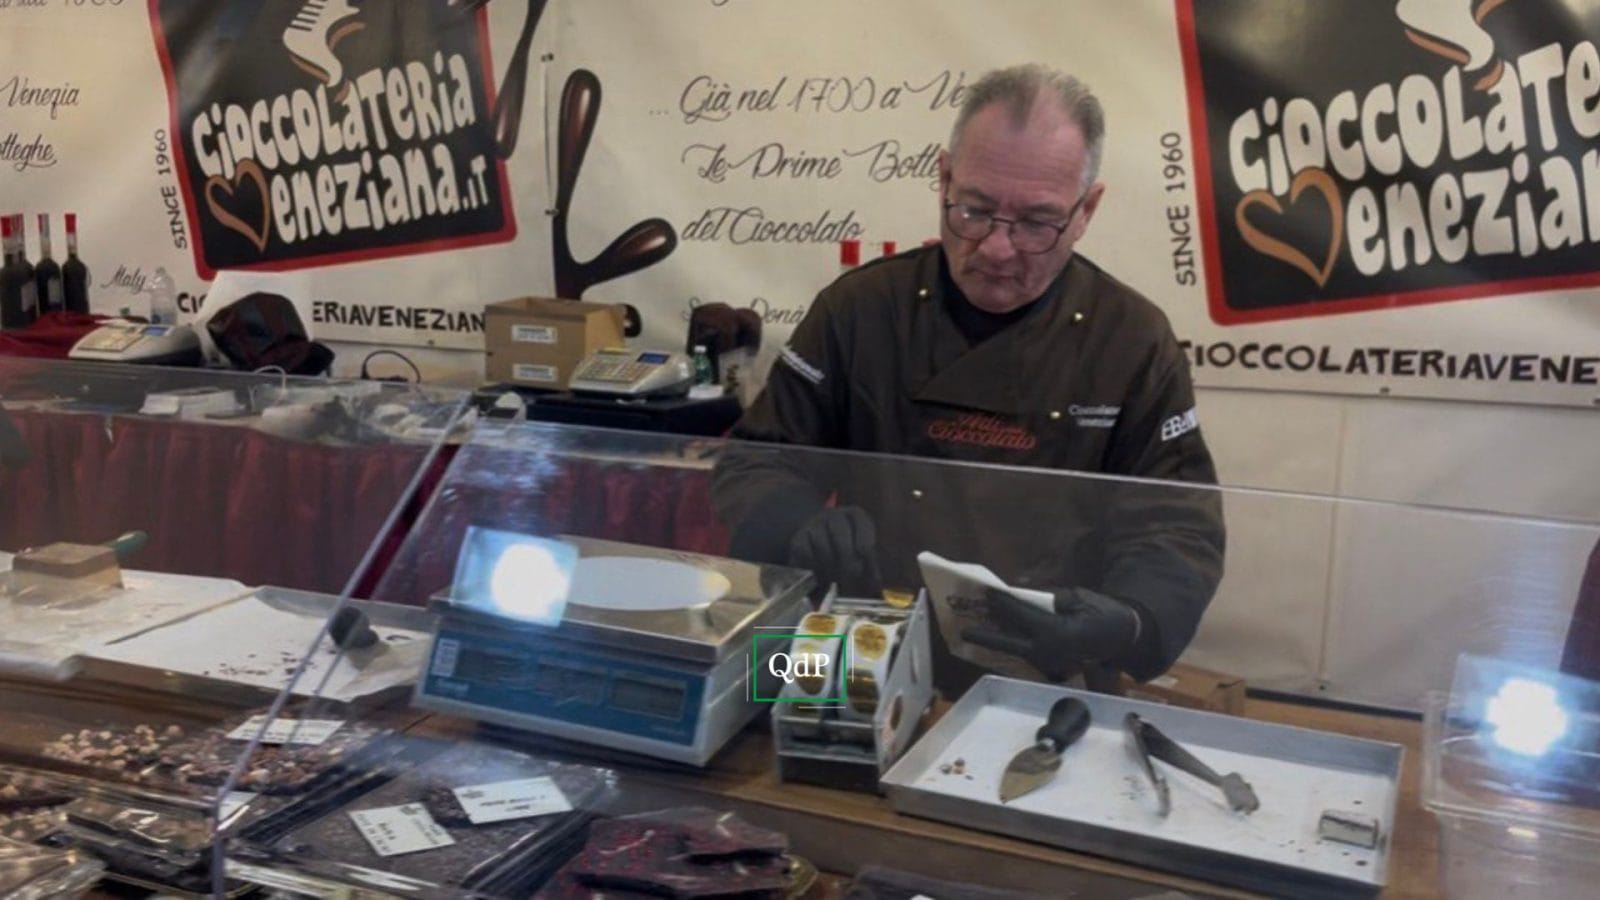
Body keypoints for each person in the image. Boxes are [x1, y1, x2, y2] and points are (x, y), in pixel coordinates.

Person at [712, 64, 1224, 691]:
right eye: (975, 210)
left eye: (1036, 222)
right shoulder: (859, 310)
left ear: (1086, 210)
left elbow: (1178, 527)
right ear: (944, 177)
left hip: (1048, 671)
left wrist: (1130, 619)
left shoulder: (1132, 340)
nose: (997, 248)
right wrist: (798, 523)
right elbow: (755, 461)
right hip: (861, 651)